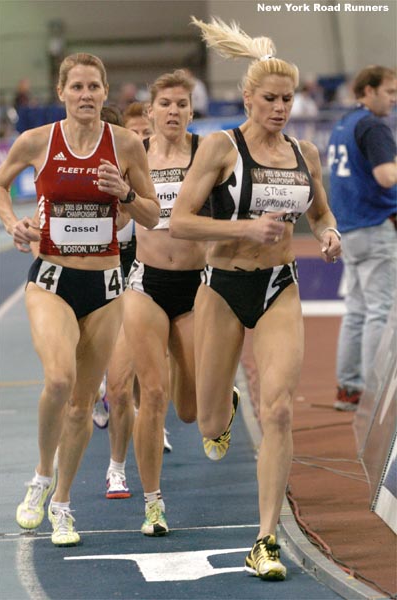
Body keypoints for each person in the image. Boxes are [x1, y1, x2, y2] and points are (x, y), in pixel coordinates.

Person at [170, 17, 341, 581]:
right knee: (207, 418)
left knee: (282, 408)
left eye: (288, 99)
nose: (281, 108)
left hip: (277, 287)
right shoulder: (222, 147)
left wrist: (327, 234)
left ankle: (264, 538)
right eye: (270, 98)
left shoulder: (304, 153)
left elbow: (318, 211)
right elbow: (180, 221)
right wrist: (244, 231)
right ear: (248, 97)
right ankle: (225, 413)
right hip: (222, 288)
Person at [0, 52, 159, 547]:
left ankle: (62, 505)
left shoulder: (127, 144)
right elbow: (0, 185)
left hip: (106, 285)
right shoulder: (36, 141)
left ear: (105, 93)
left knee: (83, 404)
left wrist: (124, 195)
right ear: (62, 92)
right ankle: (41, 477)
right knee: (59, 379)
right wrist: (12, 223)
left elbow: (153, 215)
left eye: (94, 87)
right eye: (77, 87)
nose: (86, 95)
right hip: (51, 277)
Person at [105, 69, 206, 533]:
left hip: (196, 285)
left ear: (190, 110)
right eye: (165, 104)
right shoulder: (136, 156)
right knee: (155, 394)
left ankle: (218, 393)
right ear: (150, 112)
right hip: (145, 283)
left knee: (190, 409)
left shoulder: (209, 154)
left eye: (181, 104)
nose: (173, 111)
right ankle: (153, 503)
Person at [327, 65, 397, 411]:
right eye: (389, 92)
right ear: (368, 91)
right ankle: (373, 392)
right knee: (379, 311)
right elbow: (386, 176)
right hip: (374, 225)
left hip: (350, 228)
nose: (394, 100)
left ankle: (350, 388)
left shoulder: (343, 124)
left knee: (356, 310)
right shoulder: (372, 125)